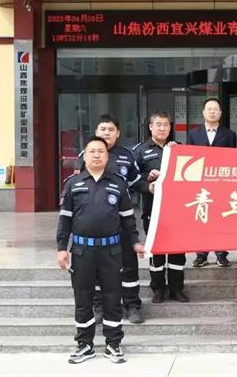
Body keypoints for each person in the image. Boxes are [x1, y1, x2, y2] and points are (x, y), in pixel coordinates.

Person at [57, 136, 144, 364]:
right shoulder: (73, 184)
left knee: (112, 297)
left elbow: (128, 219)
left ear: (107, 157)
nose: (96, 155)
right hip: (82, 251)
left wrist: (135, 242)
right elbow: (65, 219)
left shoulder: (118, 183)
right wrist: (61, 248)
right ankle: (84, 345)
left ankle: (113, 344)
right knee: (83, 298)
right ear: (84, 156)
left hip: (111, 251)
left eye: (101, 151)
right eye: (92, 151)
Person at [75, 114, 144, 324]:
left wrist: (151, 186)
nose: (107, 133)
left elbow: (136, 182)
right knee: (97, 267)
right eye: (103, 129)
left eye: (111, 129)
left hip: (122, 220)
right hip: (97, 225)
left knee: (129, 264)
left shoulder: (127, 155)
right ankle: (99, 305)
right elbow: (77, 187)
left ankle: (132, 304)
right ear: (97, 132)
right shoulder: (85, 155)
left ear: (118, 133)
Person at [133, 111, 189, 303]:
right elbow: (132, 180)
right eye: (158, 124)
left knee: (177, 251)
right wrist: (147, 181)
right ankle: (158, 288)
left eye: (166, 125)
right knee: (156, 251)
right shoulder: (140, 151)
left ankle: (176, 288)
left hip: (177, 211)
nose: (162, 128)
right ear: (150, 127)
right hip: (153, 211)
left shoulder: (179, 148)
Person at [187, 97, 237, 268]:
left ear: (220, 113)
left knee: (222, 219)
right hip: (200, 185)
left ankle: (221, 254)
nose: (212, 112)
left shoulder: (229, 135)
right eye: (209, 109)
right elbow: (189, 158)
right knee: (201, 218)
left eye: (216, 109)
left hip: (222, 184)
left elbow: (234, 160)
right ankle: (201, 254)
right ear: (203, 112)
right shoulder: (193, 134)